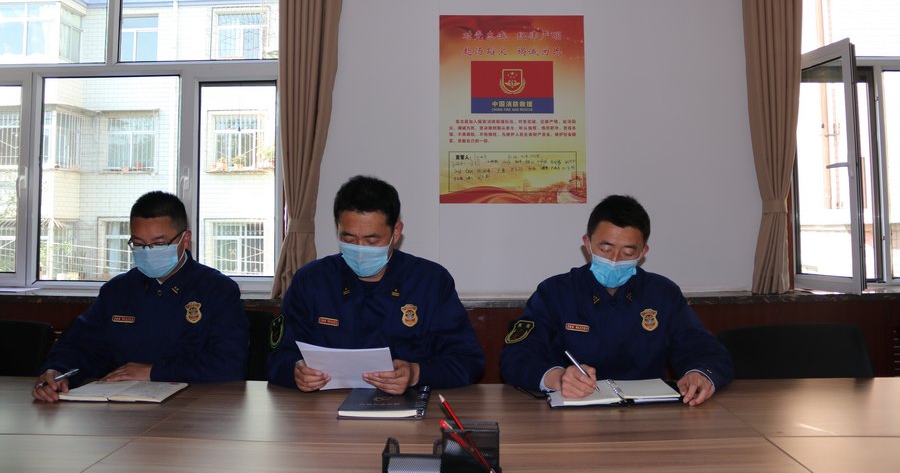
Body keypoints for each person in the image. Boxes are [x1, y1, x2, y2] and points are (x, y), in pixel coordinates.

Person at [499, 194, 732, 406]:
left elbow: (706, 350)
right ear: (587, 243)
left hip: (648, 415)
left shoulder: (662, 294)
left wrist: (700, 373)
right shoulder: (555, 292)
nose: (615, 260)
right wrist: (557, 378)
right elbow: (516, 356)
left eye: (628, 252)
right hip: (573, 414)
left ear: (643, 252)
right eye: (606, 249)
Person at [268, 175, 485, 394]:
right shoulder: (311, 281)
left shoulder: (430, 281)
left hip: (407, 406)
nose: (360, 249)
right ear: (337, 228)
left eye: (372, 241)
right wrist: (295, 372)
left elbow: (468, 361)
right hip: (326, 407)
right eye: (349, 239)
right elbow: (277, 358)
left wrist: (416, 373)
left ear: (396, 232)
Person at [32, 191, 249, 402]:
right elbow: (80, 344)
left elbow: (228, 364)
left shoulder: (216, 290)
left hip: (194, 407)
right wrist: (56, 371)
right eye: (138, 244)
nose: (147, 251)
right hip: (120, 407)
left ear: (185, 240)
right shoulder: (118, 290)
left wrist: (154, 372)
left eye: (159, 244)